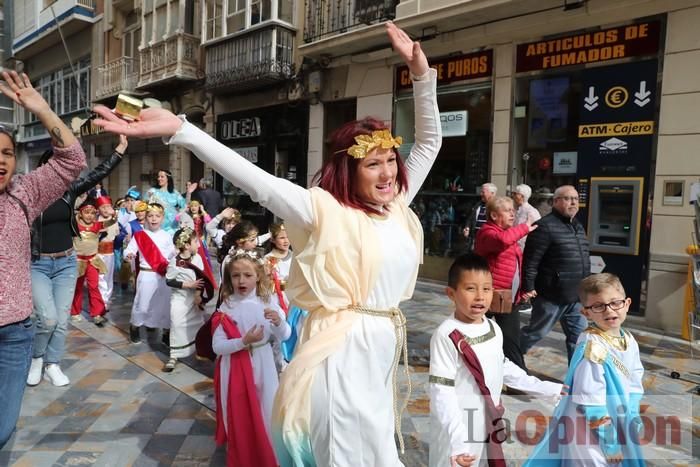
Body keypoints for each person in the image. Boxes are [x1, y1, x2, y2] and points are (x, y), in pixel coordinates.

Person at [94, 21, 441, 466]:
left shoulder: (396, 208)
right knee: (344, 450)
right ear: (349, 171)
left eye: (391, 160)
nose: (388, 172)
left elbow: (431, 142)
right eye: (373, 164)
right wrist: (182, 129)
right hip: (340, 347)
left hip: (381, 345)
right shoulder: (322, 211)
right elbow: (258, 181)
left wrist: (421, 74)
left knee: (375, 447)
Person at [0, 70, 86, 448]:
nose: (1, 160)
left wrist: (42, 109)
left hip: (14, 335)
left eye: (6, 153)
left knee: (3, 429)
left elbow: (73, 160)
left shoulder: (24, 192)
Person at [429, 254, 562, 467]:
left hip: (487, 422)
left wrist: (546, 388)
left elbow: (502, 366)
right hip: (458, 425)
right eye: (471, 289)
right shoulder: (447, 334)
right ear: (451, 293)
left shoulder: (492, 327)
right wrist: (458, 440)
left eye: (487, 289)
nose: (480, 297)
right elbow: (441, 390)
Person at [27, 135, 126, 388]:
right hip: (38, 263)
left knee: (61, 320)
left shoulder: (68, 191)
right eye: (52, 167)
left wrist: (120, 150)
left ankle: (53, 364)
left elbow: (96, 175)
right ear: (42, 168)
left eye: (61, 169)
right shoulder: (31, 193)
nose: (56, 173)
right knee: (46, 318)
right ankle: (37, 358)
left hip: (66, 263)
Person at [524, 273, 644, 466]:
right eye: (598, 306)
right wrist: (610, 442)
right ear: (586, 312)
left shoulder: (629, 340)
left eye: (615, 303)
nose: (608, 310)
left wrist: (632, 414)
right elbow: (590, 399)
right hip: (588, 428)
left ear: (627, 303)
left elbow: (635, 380)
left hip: (616, 420)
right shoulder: (593, 346)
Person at [212, 249, 291, 466]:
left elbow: (285, 336)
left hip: (264, 364)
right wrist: (242, 342)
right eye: (235, 275)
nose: (241, 280)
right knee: (241, 416)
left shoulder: (268, 302)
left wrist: (279, 323)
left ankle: (268, 456)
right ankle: (244, 455)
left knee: (267, 411)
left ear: (258, 276)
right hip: (235, 367)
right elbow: (217, 346)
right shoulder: (226, 306)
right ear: (229, 278)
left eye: (247, 275)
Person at [520, 185, 590, 363]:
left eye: (576, 198)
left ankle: (576, 378)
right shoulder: (544, 227)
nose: (573, 202)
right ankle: (507, 356)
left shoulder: (578, 226)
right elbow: (531, 261)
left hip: (576, 297)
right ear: (556, 201)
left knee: (580, 339)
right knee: (536, 333)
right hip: (551, 296)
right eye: (568, 198)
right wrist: (528, 287)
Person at [475, 196, 535, 371]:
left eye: (513, 210)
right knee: (477, 337)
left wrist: (524, 289)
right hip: (489, 296)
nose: (513, 213)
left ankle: (518, 380)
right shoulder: (487, 233)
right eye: (508, 210)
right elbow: (502, 241)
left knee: (510, 340)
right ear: (494, 215)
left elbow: (517, 265)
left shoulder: (507, 234)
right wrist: (524, 227)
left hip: (507, 297)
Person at [124, 203, 176, 343]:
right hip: (146, 275)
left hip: (162, 275)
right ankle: (134, 326)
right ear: (146, 218)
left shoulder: (167, 236)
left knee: (164, 304)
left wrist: (178, 252)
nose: (154, 219)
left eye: (157, 216)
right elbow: (129, 250)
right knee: (142, 303)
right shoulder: (140, 235)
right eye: (150, 216)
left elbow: (171, 254)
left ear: (162, 218)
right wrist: (128, 255)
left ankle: (165, 332)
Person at [164, 228, 215, 372]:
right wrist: (187, 285)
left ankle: (198, 349)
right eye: (195, 242)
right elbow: (169, 281)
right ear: (186, 245)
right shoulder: (175, 262)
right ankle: (174, 356)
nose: (198, 245)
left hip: (193, 299)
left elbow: (201, 278)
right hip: (179, 299)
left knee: (198, 325)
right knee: (177, 323)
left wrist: (198, 295)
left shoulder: (197, 258)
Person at [70, 199, 116, 327]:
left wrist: (113, 212)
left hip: (92, 261)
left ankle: (97, 313)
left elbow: (112, 221)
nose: (89, 215)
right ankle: (74, 312)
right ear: (80, 213)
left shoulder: (97, 225)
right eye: (86, 212)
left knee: (94, 286)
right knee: (77, 287)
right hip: (78, 261)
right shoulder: (74, 225)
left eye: (92, 213)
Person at [265, 223, 307, 362]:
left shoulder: (297, 256)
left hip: (295, 301)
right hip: (277, 299)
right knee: (280, 333)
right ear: (273, 239)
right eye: (282, 237)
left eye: (288, 237)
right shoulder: (267, 259)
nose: (286, 241)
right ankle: (279, 364)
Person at [96, 196, 120, 313]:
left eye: (108, 207)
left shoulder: (113, 220)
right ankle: (102, 301)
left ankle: (107, 300)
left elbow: (116, 234)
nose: (105, 210)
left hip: (110, 252)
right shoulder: (96, 220)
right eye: (103, 207)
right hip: (98, 253)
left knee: (108, 277)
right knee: (100, 277)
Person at [147, 169, 185, 234]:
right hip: (158, 226)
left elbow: (184, 205)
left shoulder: (175, 193)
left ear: (168, 178)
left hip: (173, 227)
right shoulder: (152, 191)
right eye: (158, 177)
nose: (159, 178)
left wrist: (180, 214)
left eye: (162, 176)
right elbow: (146, 206)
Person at [462, 182, 497, 252]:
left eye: (483, 192)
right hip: (475, 240)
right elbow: (470, 218)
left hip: (489, 241)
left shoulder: (498, 207)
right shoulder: (478, 205)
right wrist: (467, 227)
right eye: (481, 192)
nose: (481, 194)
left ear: (492, 193)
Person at [512, 183, 540, 251]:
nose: (513, 196)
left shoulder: (531, 211)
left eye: (515, 194)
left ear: (522, 196)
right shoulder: (513, 209)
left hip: (524, 249)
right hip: (512, 247)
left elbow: (538, 231)